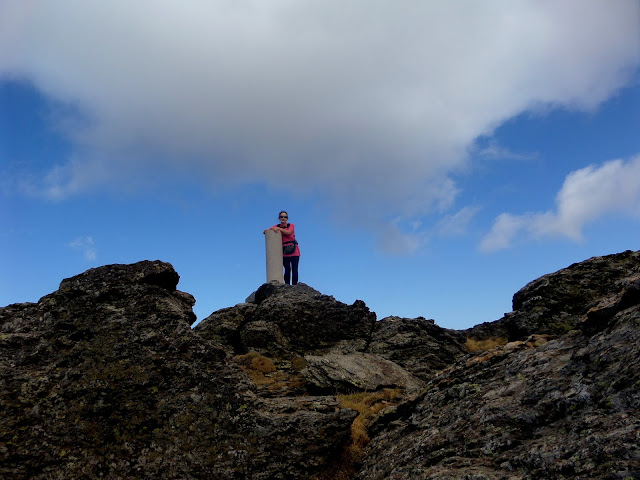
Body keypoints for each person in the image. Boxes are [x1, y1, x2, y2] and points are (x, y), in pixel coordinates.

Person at [263, 210, 301, 285]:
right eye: (281, 217)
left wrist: (279, 229)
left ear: (287, 218)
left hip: (294, 251)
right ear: (279, 218)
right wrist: (272, 229)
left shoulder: (291, 225)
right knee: (287, 269)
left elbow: (289, 232)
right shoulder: (276, 226)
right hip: (284, 252)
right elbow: (265, 232)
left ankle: (294, 286)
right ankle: (287, 285)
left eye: (285, 217)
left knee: (295, 269)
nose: (283, 218)